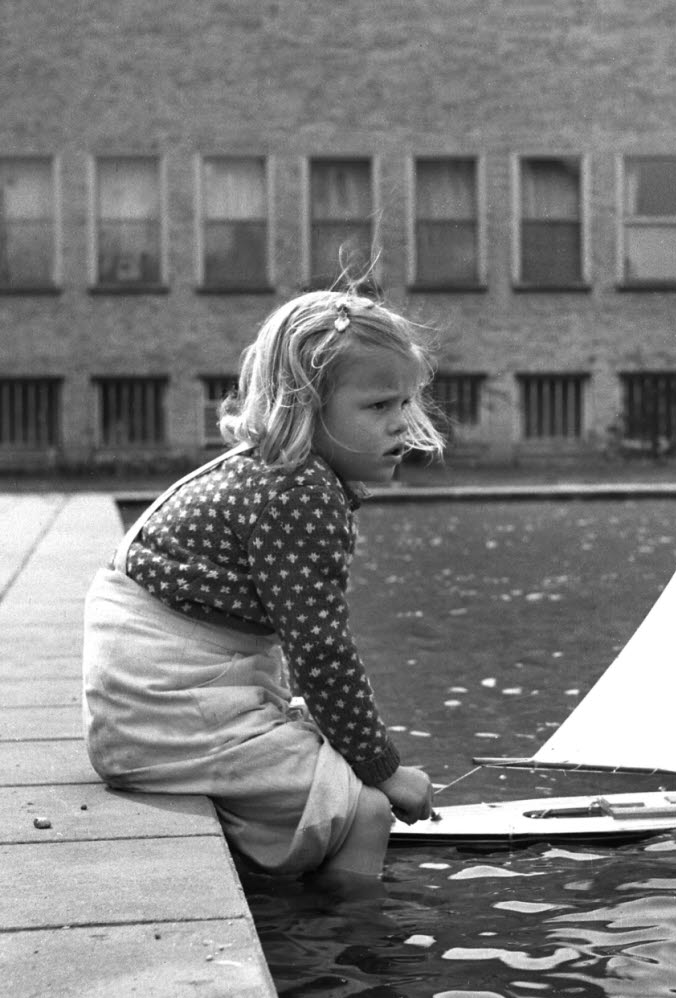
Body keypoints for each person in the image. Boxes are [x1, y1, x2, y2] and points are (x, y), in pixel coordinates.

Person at [82, 280, 444, 885]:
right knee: (367, 809)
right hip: (165, 716)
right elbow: (320, 653)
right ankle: (350, 954)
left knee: (329, 750)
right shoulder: (299, 491)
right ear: (305, 405)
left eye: (406, 403)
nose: (401, 425)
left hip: (146, 705)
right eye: (379, 406)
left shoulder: (265, 471)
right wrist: (383, 770)